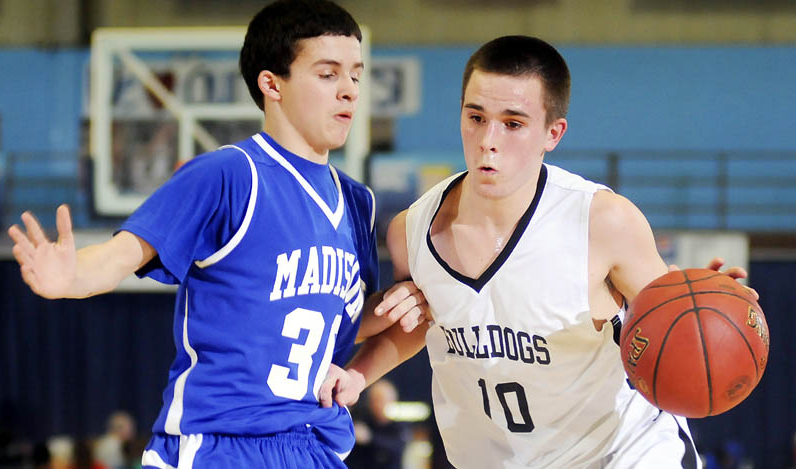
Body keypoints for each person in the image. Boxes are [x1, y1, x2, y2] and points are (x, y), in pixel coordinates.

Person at [8, 1, 423, 467]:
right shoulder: (230, 174)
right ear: (272, 84)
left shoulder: (357, 202)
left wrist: (400, 309)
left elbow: (334, 320)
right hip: (219, 443)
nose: (349, 91)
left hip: (313, 443)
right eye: (328, 74)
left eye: (355, 75)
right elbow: (121, 255)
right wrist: (72, 278)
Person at [322, 36, 759, 468]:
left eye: (513, 124)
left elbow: (669, 320)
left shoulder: (602, 222)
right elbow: (421, 319)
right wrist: (359, 374)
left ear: (554, 133)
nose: (488, 140)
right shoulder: (410, 230)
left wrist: (709, 305)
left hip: (620, 452)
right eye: (476, 117)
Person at [345, 379, 410, 469]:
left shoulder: (400, 424)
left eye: (383, 400)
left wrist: (370, 438)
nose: (379, 404)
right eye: (375, 400)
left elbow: (396, 447)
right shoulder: (362, 418)